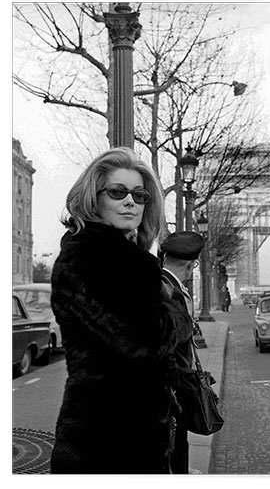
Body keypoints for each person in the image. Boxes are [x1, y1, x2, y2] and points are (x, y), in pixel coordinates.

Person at [49, 147, 191, 474]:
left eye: (140, 195)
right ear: (93, 198)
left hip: (134, 439)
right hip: (103, 444)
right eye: (117, 191)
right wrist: (177, 311)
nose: (130, 201)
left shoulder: (125, 261)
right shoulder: (86, 260)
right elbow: (146, 339)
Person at [159, 231, 205, 474]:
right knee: (176, 441)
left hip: (170, 382)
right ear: (191, 266)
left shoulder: (159, 282)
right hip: (173, 384)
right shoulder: (171, 292)